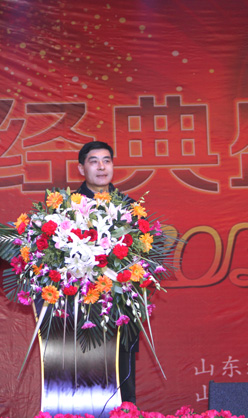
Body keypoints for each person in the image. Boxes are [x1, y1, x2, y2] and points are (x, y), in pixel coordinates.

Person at [74, 140, 139, 404]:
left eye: (107, 161)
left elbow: (143, 252)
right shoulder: (66, 207)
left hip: (119, 304)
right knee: (79, 371)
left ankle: (125, 412)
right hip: (79, 305)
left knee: (122, 371)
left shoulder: (130, 207)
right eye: (94, 161)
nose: (101, 167)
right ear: (82, 168)